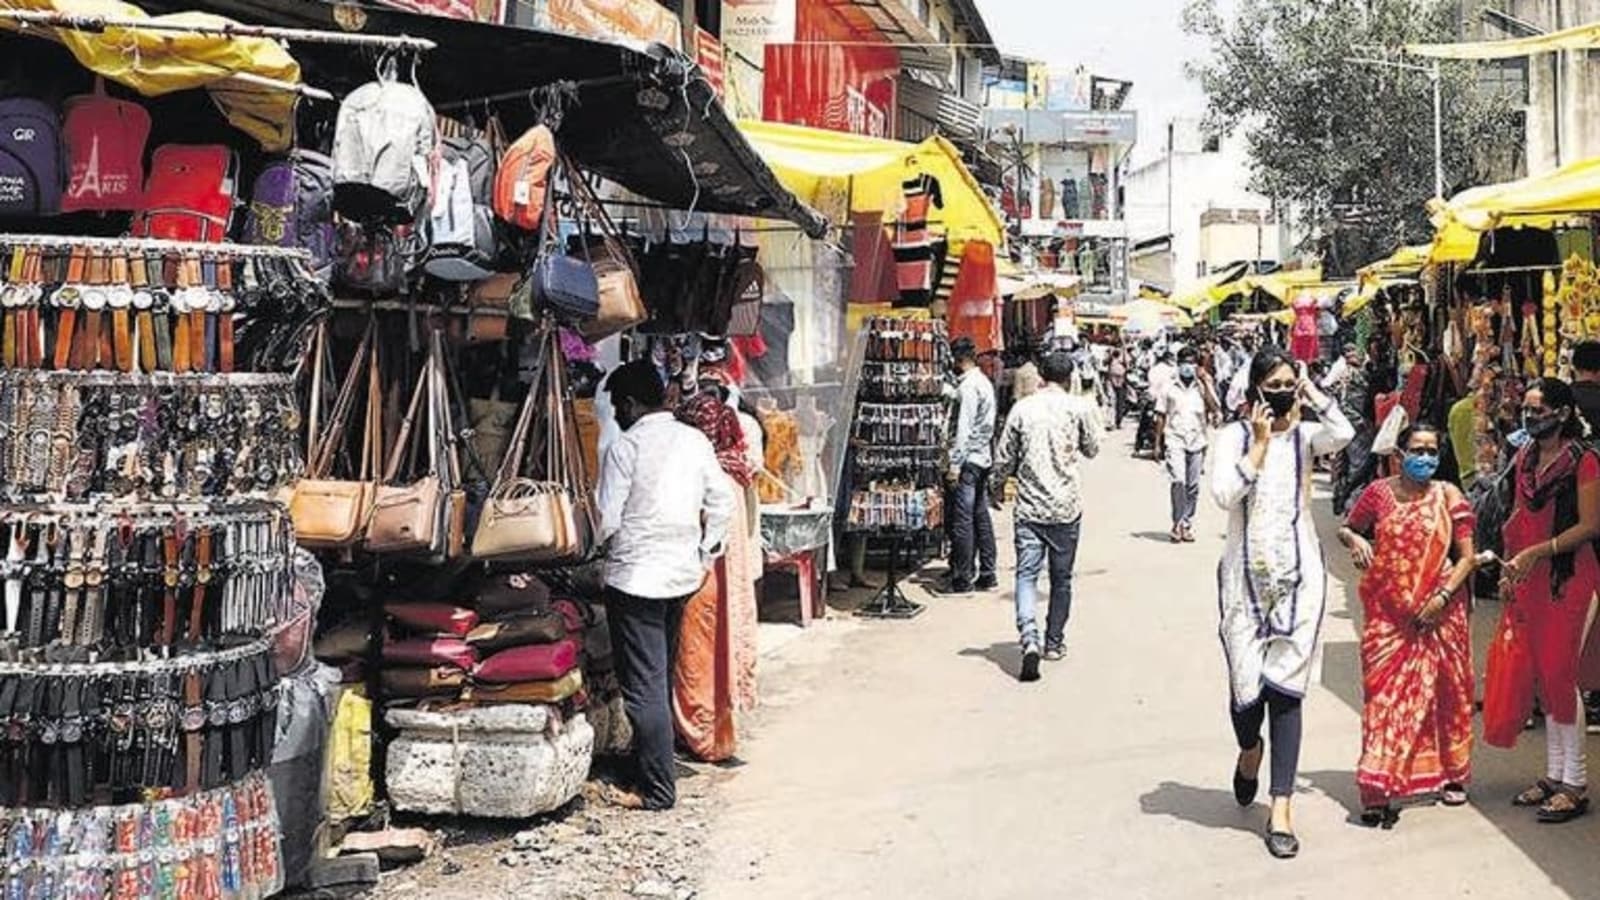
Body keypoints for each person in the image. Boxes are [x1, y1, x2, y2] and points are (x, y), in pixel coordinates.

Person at [1211, 347, 1353, 858]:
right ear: (1253, 388)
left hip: (1300, 580)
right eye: (1273, 383)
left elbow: (1345, 434)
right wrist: (1259, 445)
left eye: (1288, 383)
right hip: (1243, 584)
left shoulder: (1308, 435)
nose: (1281, 391)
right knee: (1246, 697)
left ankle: (1282, 807)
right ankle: (1250, 750)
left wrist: (1313, 392)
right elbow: (1224, 494)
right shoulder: (1231, 438)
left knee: (1287, 691)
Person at [597, 360, 737, 810]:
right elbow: (722, 503)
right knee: (658, 677)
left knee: (644, 688)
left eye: (619, 405)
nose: (616, 414)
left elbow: (607, 519)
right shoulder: (693, 440)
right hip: (679, 577)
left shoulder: (627, 446)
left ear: (633, 404)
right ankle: (650, 766)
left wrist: (587, 546)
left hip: (636, 579)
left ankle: (657, 791)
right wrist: (702, 554)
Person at [1338, 423, 1477, 827]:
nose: (1426, 457)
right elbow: (1349, 526)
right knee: (1384, 700)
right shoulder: (1378, 493)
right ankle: (1377, 787)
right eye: (1418, 449)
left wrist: (1441, 599)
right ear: (1399, 453)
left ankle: (1452, 774)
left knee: (1447, 692)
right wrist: (1355, 540)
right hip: (1388, 616)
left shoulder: (1448, 495)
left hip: (1441, 611)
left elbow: (1467, 557)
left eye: (1432, 450)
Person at [1496, 378, 1600, 823]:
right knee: (1543, 676)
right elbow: (1519, 515)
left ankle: (1575, 783)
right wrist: (1509, 565)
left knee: (1561, 675)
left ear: (1562, 412)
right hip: (1529, 576)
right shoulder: (1525, 458)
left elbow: (1591, 526)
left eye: (1539, 410)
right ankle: (1554, 776)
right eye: (1527, 409)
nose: (1531, 416)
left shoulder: (1585, 460)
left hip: (1570, 574)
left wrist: (1536, 552)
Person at [991, 351, 1101, 682]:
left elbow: (1005, 455)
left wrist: (996, 486)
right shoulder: (1078, 407)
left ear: (1041, 375)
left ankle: (1029, 639)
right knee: (1061, 578)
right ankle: (1053, 641)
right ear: (1069, 378)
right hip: (1066, 507)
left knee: (1026, 576)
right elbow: (1092, 448)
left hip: (1029, 507)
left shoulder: (1023, 408)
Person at [671, 391, 760, 764]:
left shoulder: (705, 471)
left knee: (697, 656)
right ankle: (718, 736)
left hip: (704, 577)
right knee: (722, 653)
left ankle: (699, 736)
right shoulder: (738, 467)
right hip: (732, 582)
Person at [940, 338, 998, 594]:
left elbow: (963, 429)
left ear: (958, 359)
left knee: (963, 519)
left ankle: (963, 577)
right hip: (981, 456)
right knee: (980, 514)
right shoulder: (981, 383)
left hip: (968, 460)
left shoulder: (969, 388)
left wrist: (955, 464)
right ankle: (987, 572)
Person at [1158, 346, 1217, 543]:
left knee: (1193, 485)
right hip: (1174, 438)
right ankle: (1176, 522)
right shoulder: (1169, 387)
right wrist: (1158, 444)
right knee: (1178, 481)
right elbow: (1161, 415)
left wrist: (1206, 383)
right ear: (1178, 363)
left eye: (1192, 362)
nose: (1188, 366)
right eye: (1185, 362)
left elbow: (1215, 407)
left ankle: (1187, 523)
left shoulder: (1201, 387)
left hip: (1197, 440)